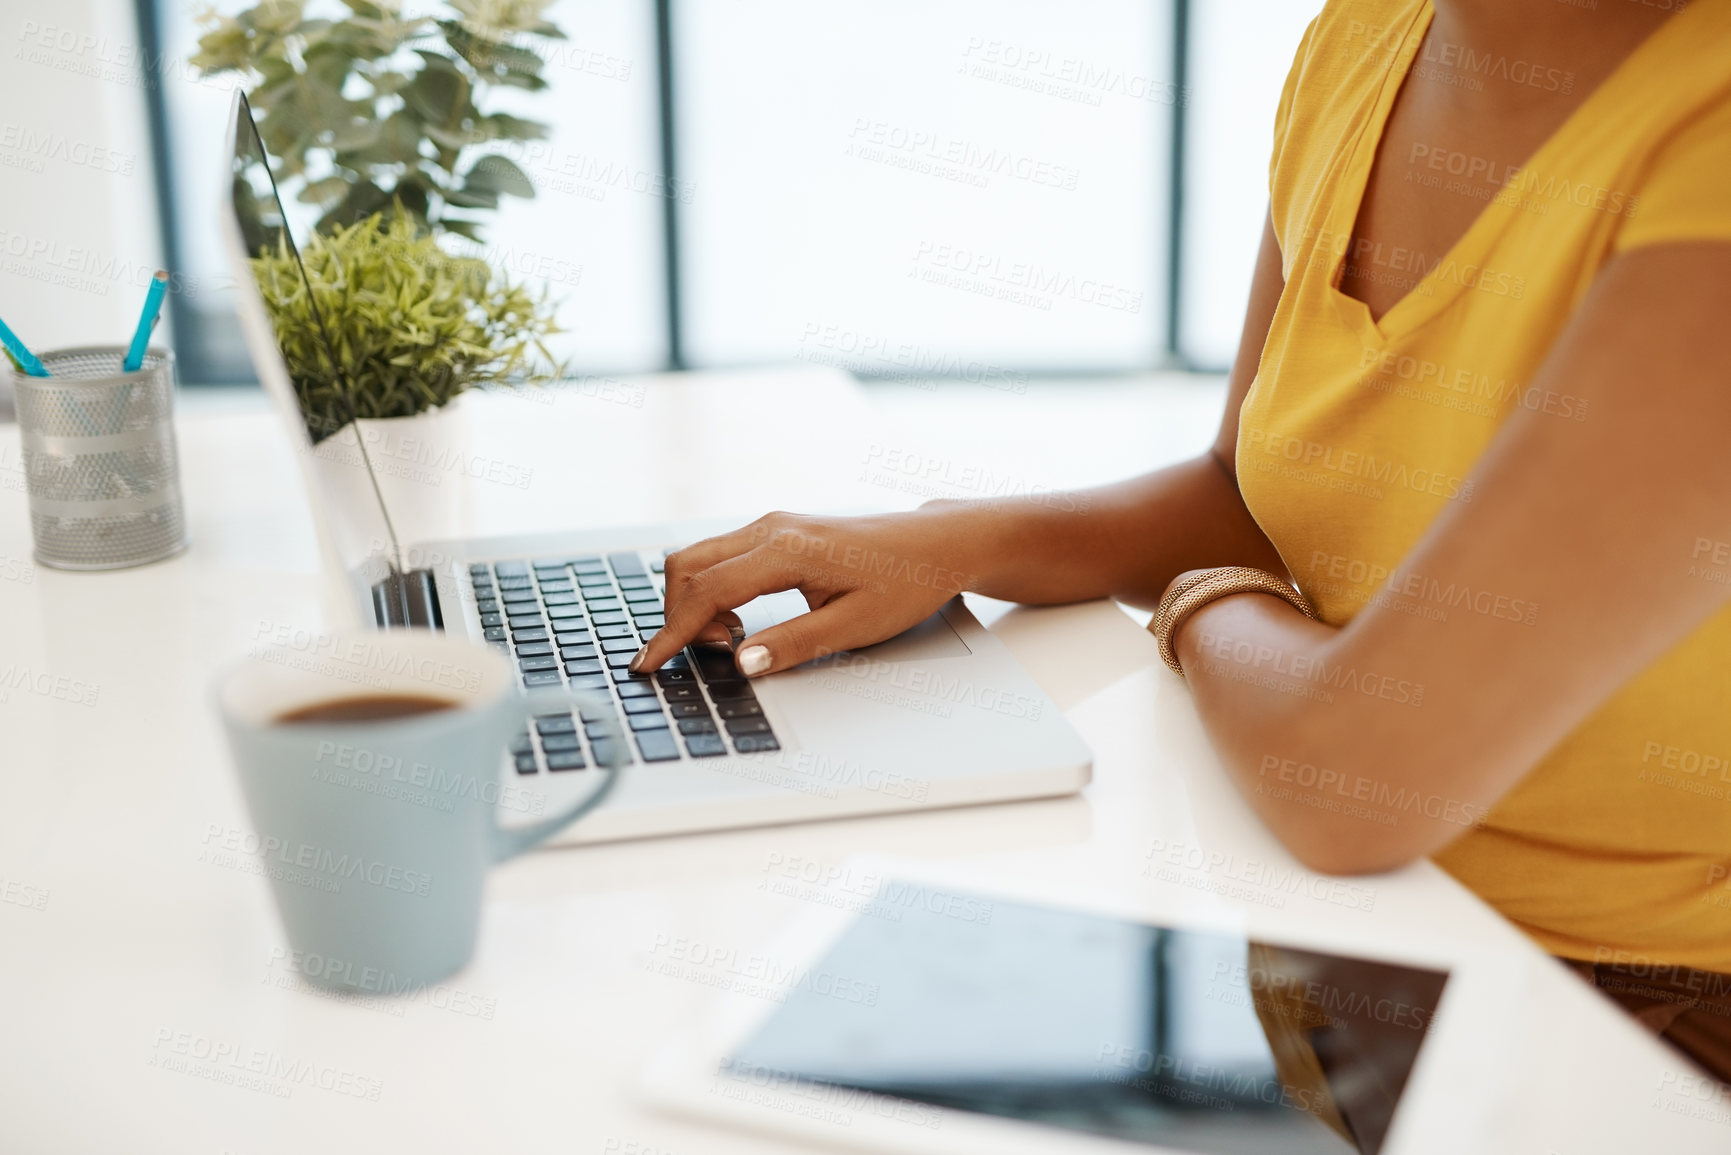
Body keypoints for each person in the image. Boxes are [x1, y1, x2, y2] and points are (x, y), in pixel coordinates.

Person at [633, 0, 1731, 1079]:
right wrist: (948, 541)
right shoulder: (1366, 36)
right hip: (1333, 918)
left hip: (1636, 1011)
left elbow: (1352, 783)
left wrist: (1206, 601)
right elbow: (1242, 494)